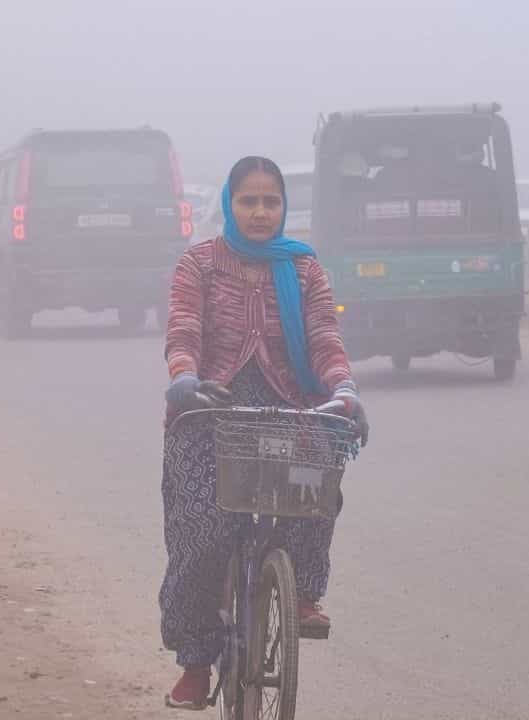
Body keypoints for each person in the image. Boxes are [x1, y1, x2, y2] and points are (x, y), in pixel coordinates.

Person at [159, 156, 369, 710]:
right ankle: (197, 661)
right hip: (210, 411)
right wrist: (184, 378)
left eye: (269, 201)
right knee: (202, 531)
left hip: (286, 408)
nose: (259, 211)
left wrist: (344, 388)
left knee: (317, 480)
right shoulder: (200, 264)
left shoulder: (303, 269)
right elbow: (183, 329)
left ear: (283, 208)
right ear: (229, 204)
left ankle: (299, 589)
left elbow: (324, 335)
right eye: (248, 200)